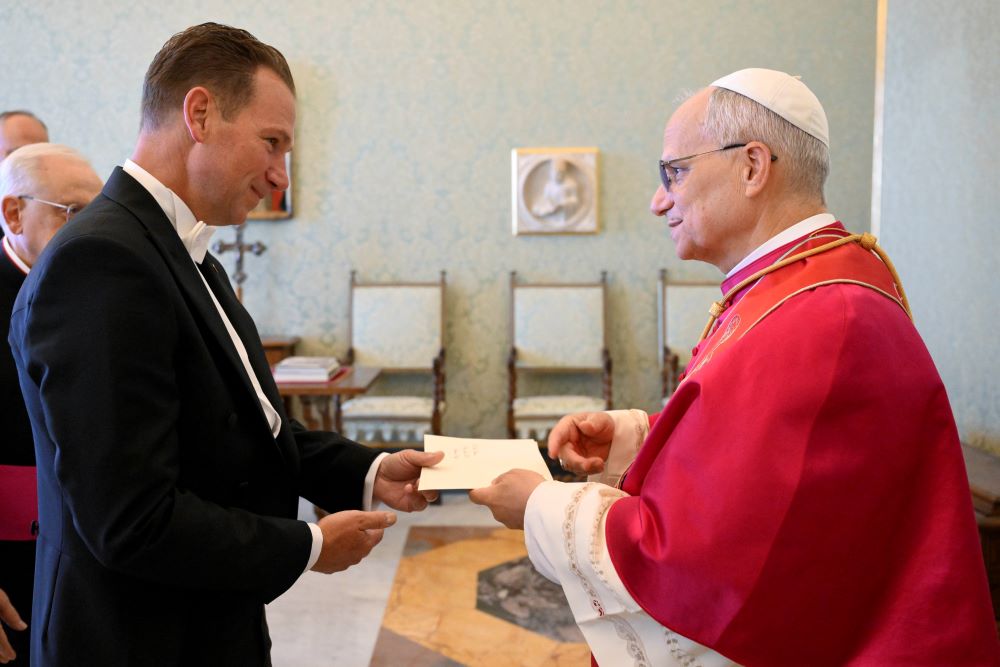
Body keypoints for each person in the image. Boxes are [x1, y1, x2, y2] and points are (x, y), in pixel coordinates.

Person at [471, 68, 1000, 665]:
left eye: (674, 171)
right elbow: (755, 458)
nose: (657, 200)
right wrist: (634, 437)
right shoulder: (794, 285)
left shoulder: (821, 314)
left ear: (752, 166)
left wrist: (541, 506)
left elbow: (705, 567)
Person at [8, 23, 442, 666]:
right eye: (272, 143)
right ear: (201, 113)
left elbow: (248, 427)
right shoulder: (101, 260)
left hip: (208, 619)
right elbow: (130, 519)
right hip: (135, 639)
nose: (279, 176)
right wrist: (309, 546)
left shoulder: (183, 252)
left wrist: (370, 471)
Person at [0, 142, 102, 666]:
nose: (92, 230)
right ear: (13, 212)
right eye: (74, 213)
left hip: (89, 544)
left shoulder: (98, 288)